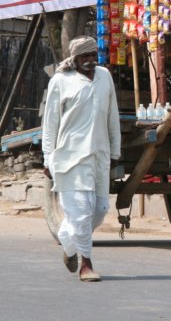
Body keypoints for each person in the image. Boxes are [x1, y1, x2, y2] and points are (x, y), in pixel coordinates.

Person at [42, 36, 121, 282]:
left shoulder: (104, 76)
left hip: (100, 155)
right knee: (81, 214)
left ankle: (68, 245)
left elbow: (112, 117)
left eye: (92, 56)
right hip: (70, 157)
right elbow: (50, 123)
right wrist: (47, 158)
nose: (89, 61)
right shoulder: (60, 80)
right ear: (74, 59)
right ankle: (86, 266)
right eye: (84, 57)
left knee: (99, 209)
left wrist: (116, 152)